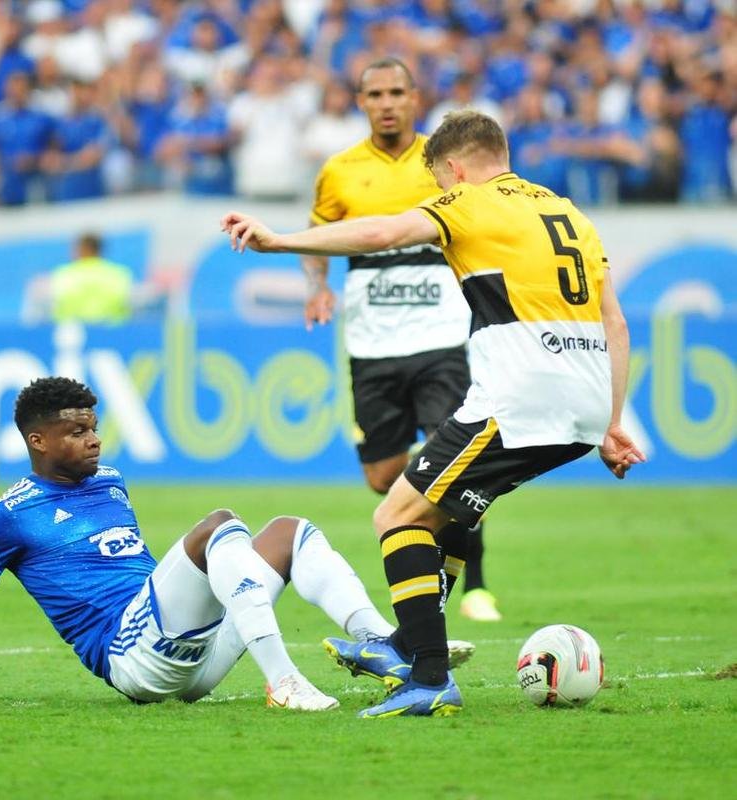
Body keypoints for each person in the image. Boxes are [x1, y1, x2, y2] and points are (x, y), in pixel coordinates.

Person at [221, 109, 645, 717]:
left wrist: (279, 240)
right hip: (580, 402)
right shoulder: (568, 212)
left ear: (453, 168)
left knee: (394, 516)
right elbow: (616, 321)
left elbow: (379, 234)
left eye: (442, 186)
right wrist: (609, 421)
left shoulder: (472, 201)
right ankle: (407, 643)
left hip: (521, 399)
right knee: (442, 516)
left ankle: (429, 674)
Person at [0, 377, 474, 710]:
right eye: (77, 431)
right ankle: (283, 681)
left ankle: (384, 642)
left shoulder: (109, 480)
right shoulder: (7, 516)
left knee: (288, 532)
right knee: (218, 525)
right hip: (129, 658)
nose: (94, 438)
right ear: (37, 440)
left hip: (189, 655)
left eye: (93, 426)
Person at [303, 57, 501, 623]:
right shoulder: (339, 171)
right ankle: (437, 532)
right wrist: (317, 287)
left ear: (415, 98)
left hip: (442, 339)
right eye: (375, 94)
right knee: (384, 477)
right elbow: (319, 241)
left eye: (396, 92)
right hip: (371, 346)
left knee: (451, 463)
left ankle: (476, 588)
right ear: (360, 101)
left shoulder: (446, 165)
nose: (387, 102)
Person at [48, 233, 134, 324]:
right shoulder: (119, 274)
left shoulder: (63, 274)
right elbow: (127, 307)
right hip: (113, 333)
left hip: (73, 333)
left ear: (81, 249)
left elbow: (55, 308)